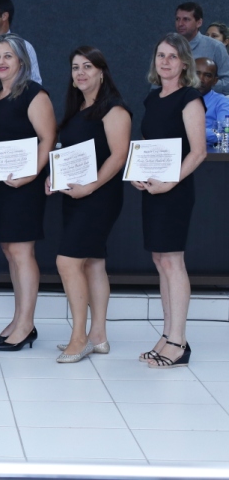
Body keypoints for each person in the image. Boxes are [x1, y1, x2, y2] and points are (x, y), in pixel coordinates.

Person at [46, 47, 131, 364]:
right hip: (76, 196)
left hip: (99, 197)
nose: (80, 73)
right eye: (75, 68)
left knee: (67, 262)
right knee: (94, 263)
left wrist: (91, 186)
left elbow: (119, 156)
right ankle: (98, 336)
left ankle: (79, 337)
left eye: (87, 67)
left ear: (101, 72)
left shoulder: (114, 110)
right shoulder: (76, 109)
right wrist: (54, 177)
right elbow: (68, 152)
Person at [133, 33, 207, 369]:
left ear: (184, 63)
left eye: (172, 57)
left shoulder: (190, 98)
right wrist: (138, 174)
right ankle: (166, 334)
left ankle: (178, 341)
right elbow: (149, 147)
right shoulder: (153, 98)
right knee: (160, 261)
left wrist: (169, 181)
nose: (165, 62)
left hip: (175, 191)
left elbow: (198, 152)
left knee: (173, 262)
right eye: (161, 55)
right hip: (153, 189)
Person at [0, 33, 56, 350]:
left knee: (23, 253)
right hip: (1, 185)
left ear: (22, 61)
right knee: (10, 251)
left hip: (25, 186)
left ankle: (26, 325)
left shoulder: (35, 95)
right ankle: (18, 320)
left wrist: (30, 176)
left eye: (8, 56)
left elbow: (48, 138)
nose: (1, 61)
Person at [174, 2, 229, 94]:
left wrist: (200, 84)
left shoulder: (216, 47)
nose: (180, 23)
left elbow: (227, 83)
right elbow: (157, 82)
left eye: (186, 19)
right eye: (177, 19)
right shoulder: (168, 47)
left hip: (206, 105)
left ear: (199, 22)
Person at [195, 57, 229, 151]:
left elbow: (226, 134)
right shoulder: (178, 99)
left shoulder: (222, 102)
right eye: (196, 73)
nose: (201, 79)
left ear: (215, 81)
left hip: (210, 158)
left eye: (207, 75)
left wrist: (194, 131)